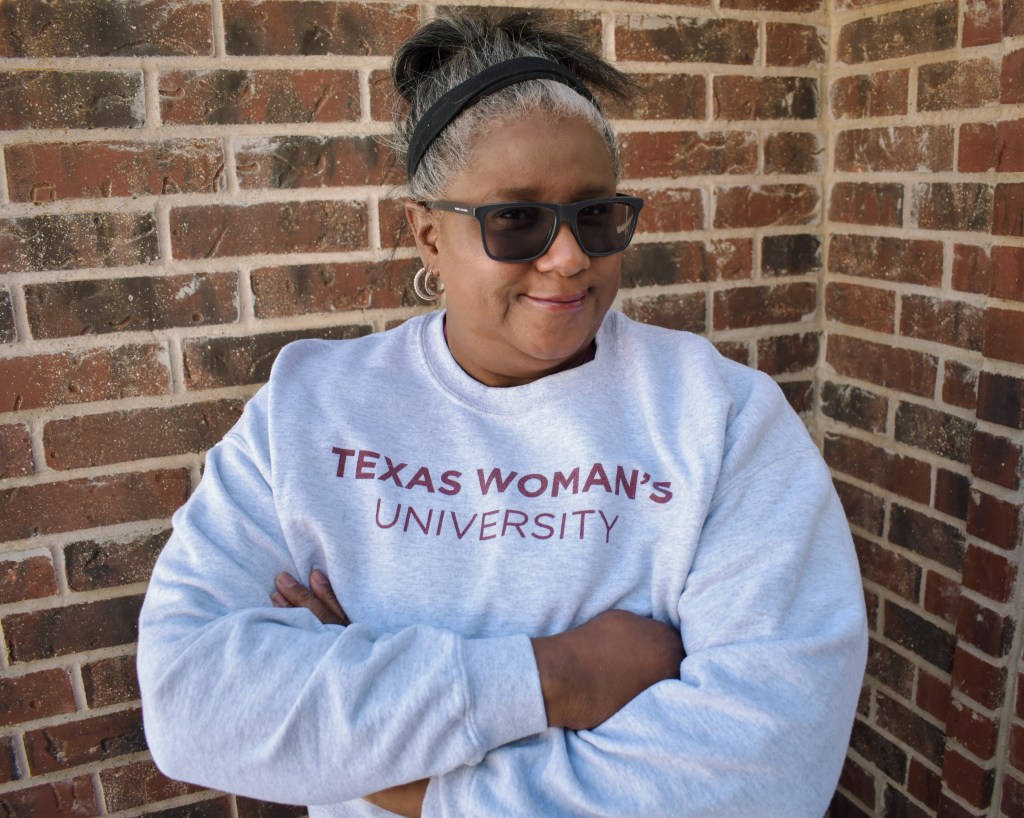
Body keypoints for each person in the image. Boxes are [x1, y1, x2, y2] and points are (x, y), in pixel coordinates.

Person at [137, 10, 867, 818]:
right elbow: (191, 699)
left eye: (596, 215)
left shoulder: (720, 420)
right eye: (515, 218)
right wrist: (560, 676)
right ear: (426, 235)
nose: (569, 256)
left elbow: (763, 769)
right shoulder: (311, 411)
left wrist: (389, 765)